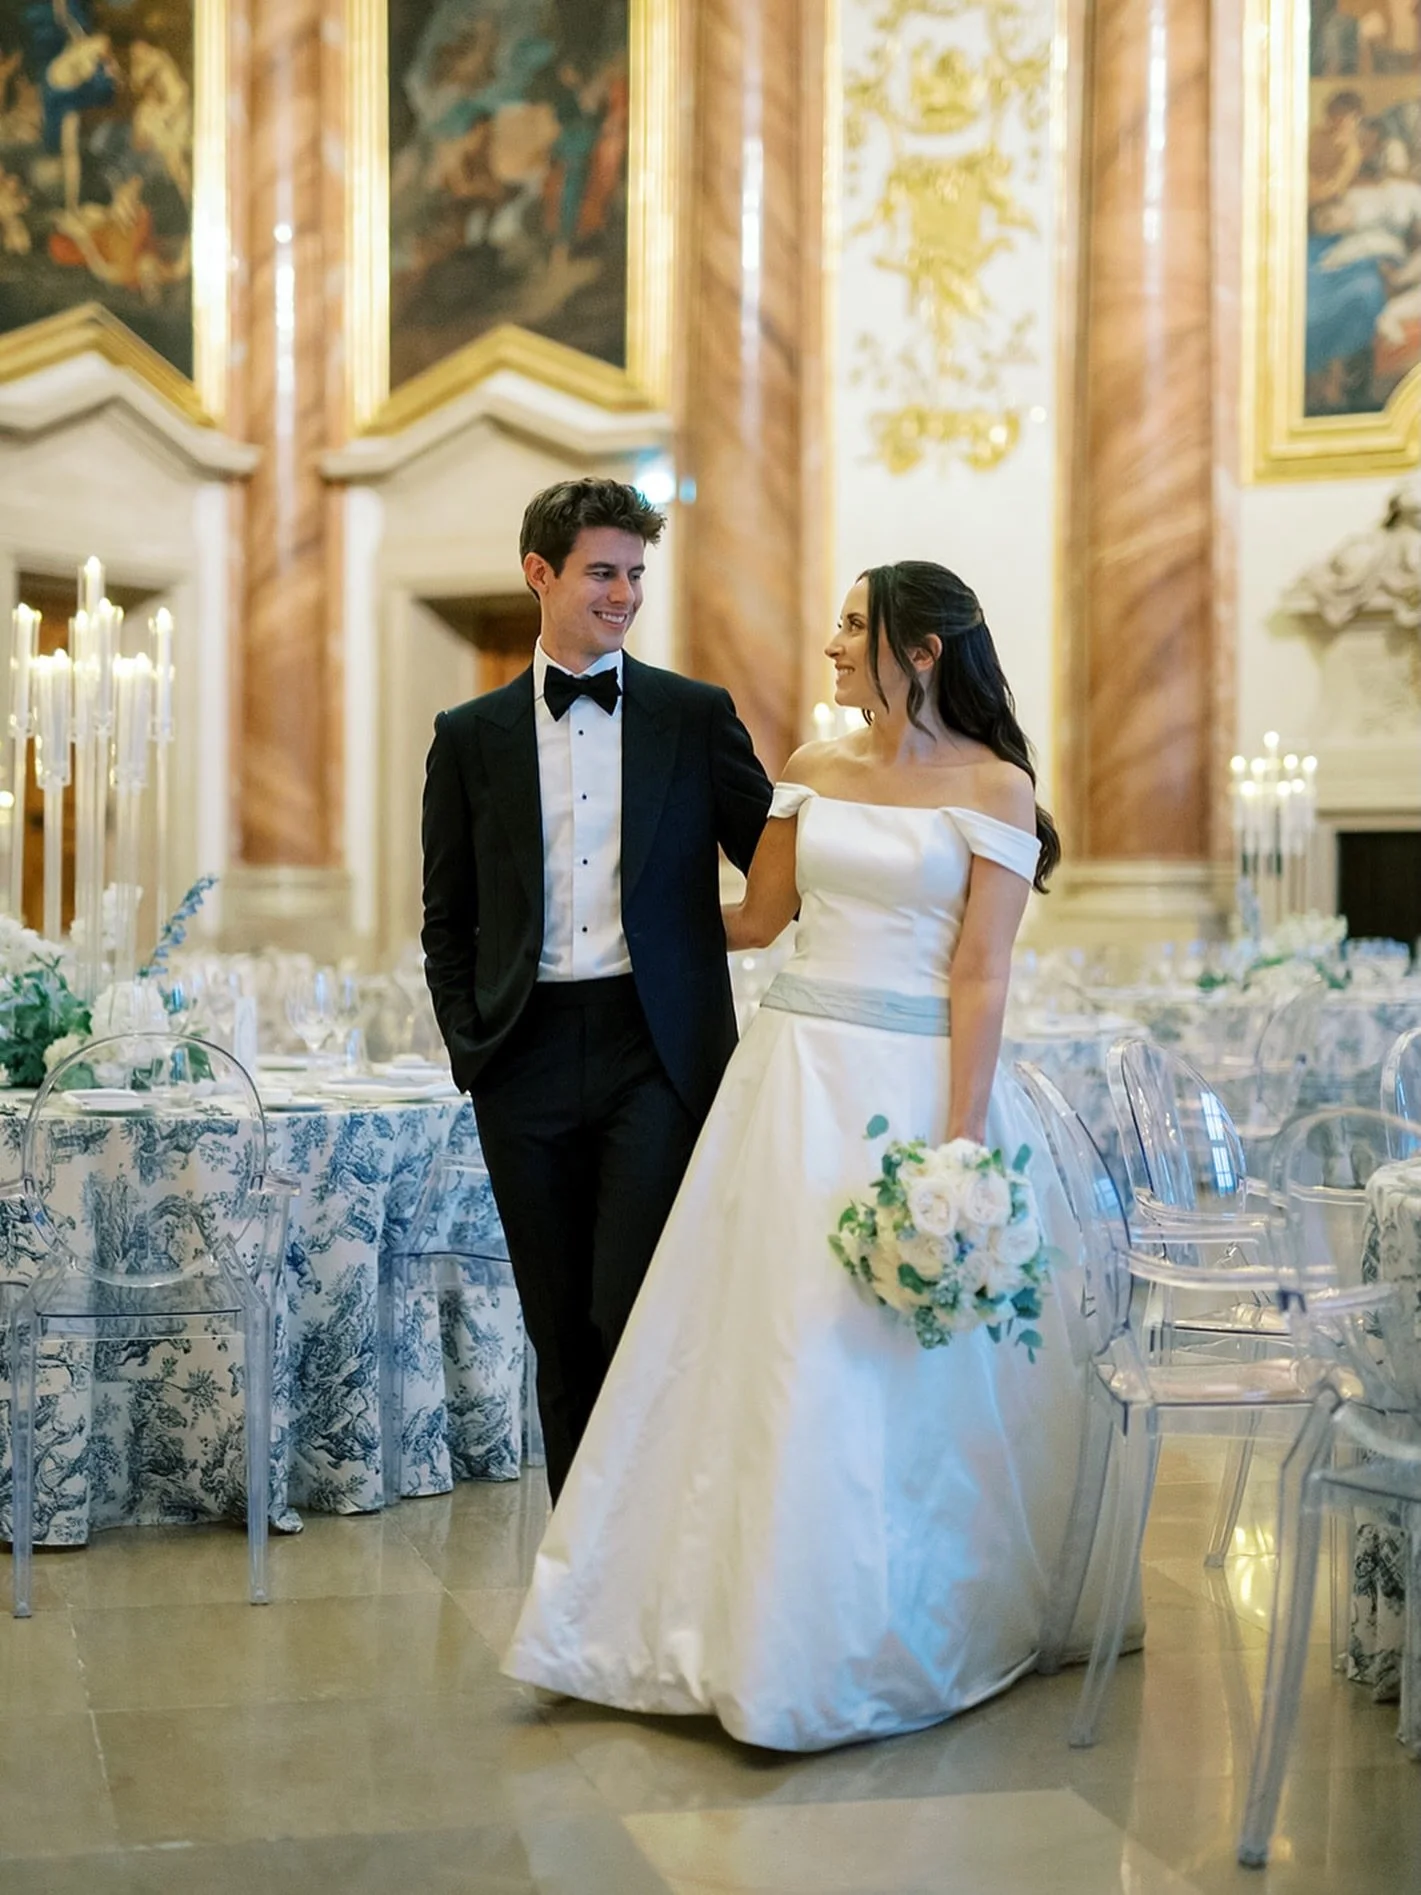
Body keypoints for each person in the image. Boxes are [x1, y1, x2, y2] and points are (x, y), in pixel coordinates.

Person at [503, 559, 1096, 1752]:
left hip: (911, 1084)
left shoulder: (996, 784)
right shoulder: (812, 769)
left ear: (919, 650)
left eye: (852, 624)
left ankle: (867, 1621)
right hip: (789, 1079)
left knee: (876, 1356)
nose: (829, 643)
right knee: (763, 1337)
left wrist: (960, 1139)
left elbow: (980, 971)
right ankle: (705, 1615)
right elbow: (755, 920)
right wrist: (600, 919)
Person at [420, 478, 772, 1499]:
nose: (624, 595)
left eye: (635, 574)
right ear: (540, 573)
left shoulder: (693, 717)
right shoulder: (469, 734)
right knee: (557, 1325)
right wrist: (473, 1048)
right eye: (603, 573)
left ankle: (640, 1537)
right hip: (521, 1054)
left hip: (651, 1051)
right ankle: (579, 1555)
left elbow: (776, 860)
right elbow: (446, 916)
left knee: (631, 1310)